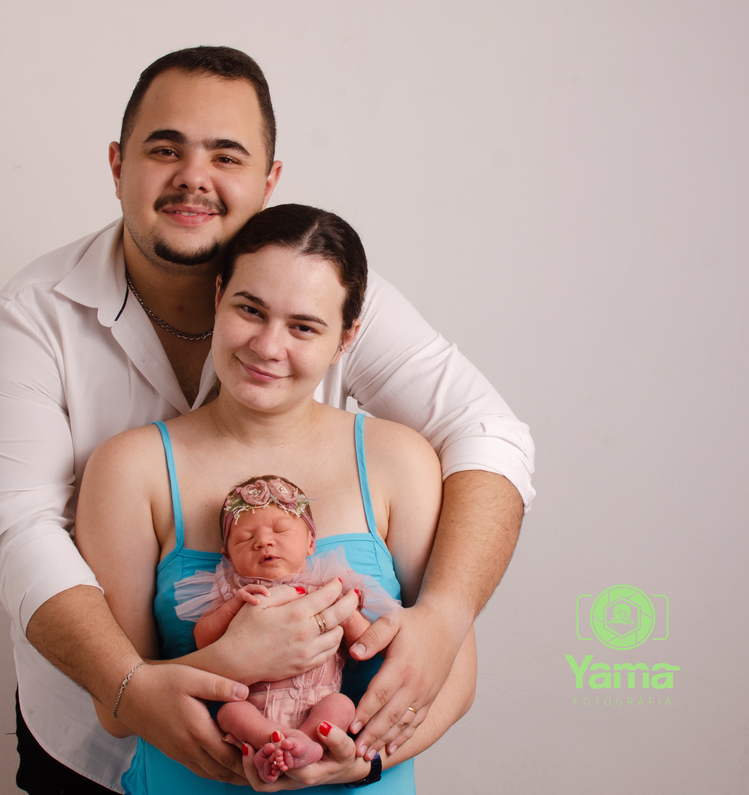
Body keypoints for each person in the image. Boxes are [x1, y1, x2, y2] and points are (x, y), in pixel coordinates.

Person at [0, 46, 535, 794]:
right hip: (91, 728)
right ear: (117, 164)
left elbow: (486, 430)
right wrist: (130, 687)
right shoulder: (36, 315)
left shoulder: (328, 285)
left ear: (269, 182)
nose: (193, 177)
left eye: (226, 155)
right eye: (164, 149)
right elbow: (18, 529)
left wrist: (444, 619)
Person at [75, 203, 465, 793]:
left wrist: (363, 762)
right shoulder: (130, 468)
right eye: (249, 310)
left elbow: (457, 675)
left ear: (346, 338)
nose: (267, 346)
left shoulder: (399, 459)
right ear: (218, 298)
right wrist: (232, 659)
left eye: (304, 327)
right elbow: (116, 703)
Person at [177, 475, 404, 784]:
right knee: (230, 713)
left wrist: (346, 612)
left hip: (318, 700)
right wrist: (233, 607)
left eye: (280, 530)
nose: (263, 542)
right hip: (253, 704)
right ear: (227, 556)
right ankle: (270, 738)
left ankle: (305, 742)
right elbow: (204, 642)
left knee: (341, 706)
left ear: (310, 543)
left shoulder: (329, 585)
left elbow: (365, 646)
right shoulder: (235, 594)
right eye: (245, 538)